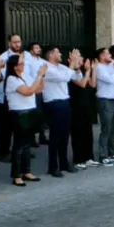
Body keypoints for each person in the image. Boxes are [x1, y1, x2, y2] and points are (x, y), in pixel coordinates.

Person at [4, 53, 47, 186]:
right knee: (19, 144)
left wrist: (42, 76)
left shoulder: (25, 76)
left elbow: (38, 89)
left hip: (30, 111)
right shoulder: (12, 79)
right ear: (15, 66)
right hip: (19, 113)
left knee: (27, 144)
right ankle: (16, 175)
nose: (23, 66)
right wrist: (39, 75)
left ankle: (26, 171)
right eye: (21, 63)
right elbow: (28, 91)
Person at [42, 47, 83, 177]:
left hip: (64, 102)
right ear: (50, 55)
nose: (61, 54)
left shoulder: (62, 67)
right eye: (58, 52)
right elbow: (64, 78)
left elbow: (77, 77)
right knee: (55, 136)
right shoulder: (47, 68)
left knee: (65, 136)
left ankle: (64, 163)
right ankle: (53, 167)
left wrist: (76, 66)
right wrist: (72, 64)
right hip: (54, 103)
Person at [95, 47, 114, 166]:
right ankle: (103, 154)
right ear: (101, 56)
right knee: (106, 128)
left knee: (113, 127)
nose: (110, 55)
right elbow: (110, 79)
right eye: (107, 53)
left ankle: (112, 152)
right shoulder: (99, 68)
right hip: (105, 100)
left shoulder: (112, 65)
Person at [69, 58, 98, 169]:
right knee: (78, 133)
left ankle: (89, 157)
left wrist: (93, 70)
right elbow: (82, 84)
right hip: (76, 106)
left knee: (88, 132)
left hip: (87, 105)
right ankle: (78, 159)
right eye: (79, 58)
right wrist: (87, 72)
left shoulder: (83, 72)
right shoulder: (72, 72)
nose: (81, 59)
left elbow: (93, 84)